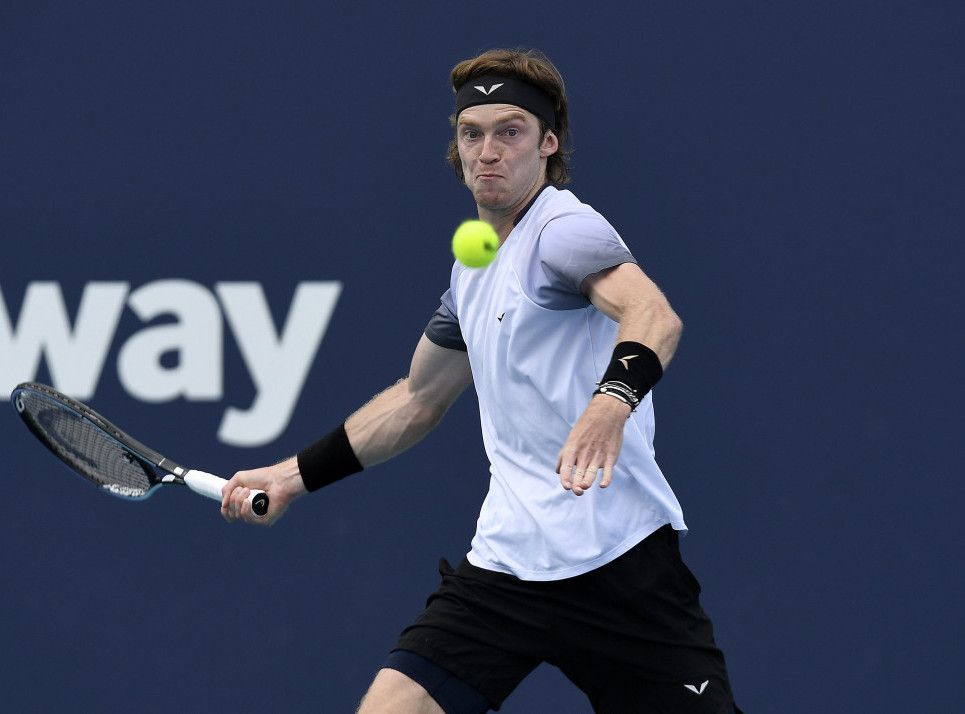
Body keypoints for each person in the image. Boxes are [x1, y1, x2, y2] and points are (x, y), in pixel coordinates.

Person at [222, 48, 741, 714]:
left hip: (620, 563)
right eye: (472, 133)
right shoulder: (474, 267)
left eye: (510, 132)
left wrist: (610, 403)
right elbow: (417, 400)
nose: (488, 151)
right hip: (506, 566)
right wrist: (291, 476)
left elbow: (653, 315)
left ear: (548, 143)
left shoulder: (562, 230)